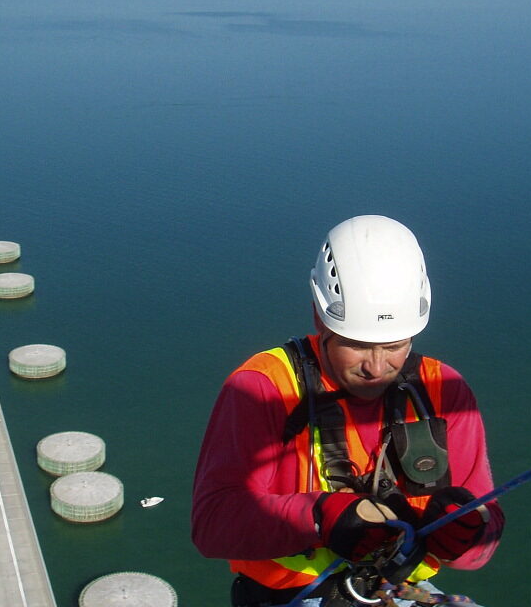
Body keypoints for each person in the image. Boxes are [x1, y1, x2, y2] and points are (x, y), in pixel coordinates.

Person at [192, 215, 504, 606]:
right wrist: (319, 517)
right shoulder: (264, 387)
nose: (376, 366)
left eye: (394, 346)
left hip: (400, 590)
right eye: (356, 344)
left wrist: (471, 532)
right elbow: (212, 525)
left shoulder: (442, 390)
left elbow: (482, 534)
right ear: (319, 317)